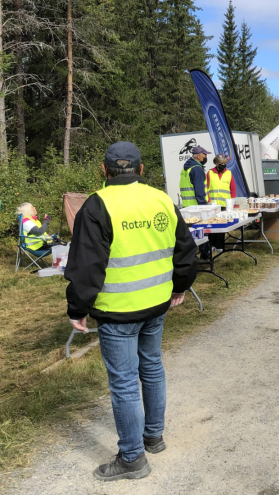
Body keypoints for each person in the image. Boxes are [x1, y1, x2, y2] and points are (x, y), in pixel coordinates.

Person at [65, 141, 197, 481]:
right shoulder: (161, 199)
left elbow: (86, 266)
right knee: (151, 368)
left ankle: (132, 459)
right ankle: (153, 436)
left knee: (124, 383)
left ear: (104, 171)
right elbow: (186, 249)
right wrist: (180, 286)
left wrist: (77, 309)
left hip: (117, 310)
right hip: (156, 304)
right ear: (140, 170)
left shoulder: (96, 206)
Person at [206, 154, 235, 254]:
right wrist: (208, 200)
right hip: (213, 205)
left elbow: (233, 189)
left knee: (221, 226)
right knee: (212, 225)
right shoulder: (210, 173)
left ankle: (220, 246)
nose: (224, 165)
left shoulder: (229, 173)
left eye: (225, 163)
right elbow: (206, 188)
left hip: (224, 204)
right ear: (217, 163)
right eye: (222, 163)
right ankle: (211, 245)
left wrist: (231, 203)